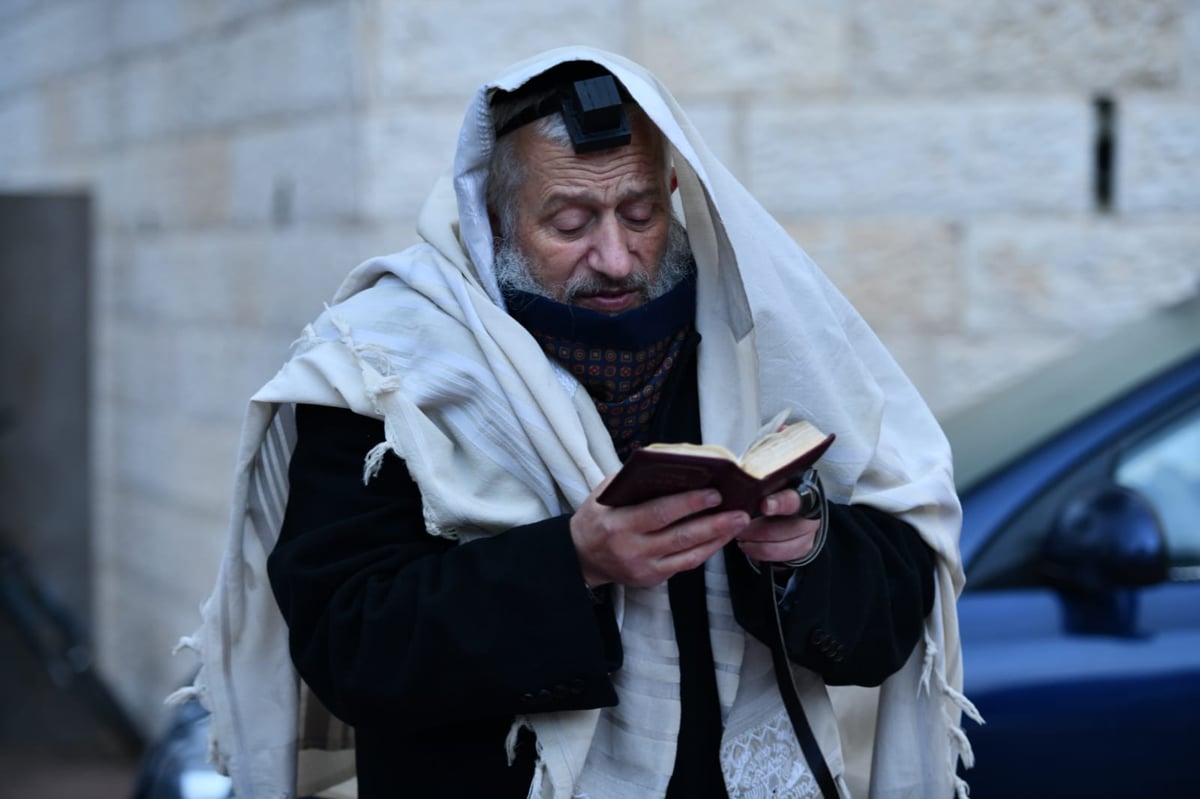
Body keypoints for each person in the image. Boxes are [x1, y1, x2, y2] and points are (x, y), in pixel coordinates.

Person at [177, 47, 977, 799]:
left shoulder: (759, 341)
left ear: (672, 195)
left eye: (638, 213)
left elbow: (888, 610)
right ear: (491, 216)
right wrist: (574, 563)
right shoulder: (386, 370)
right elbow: (347, 642)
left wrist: (806, 547)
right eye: (569, 223)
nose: (617, 257)